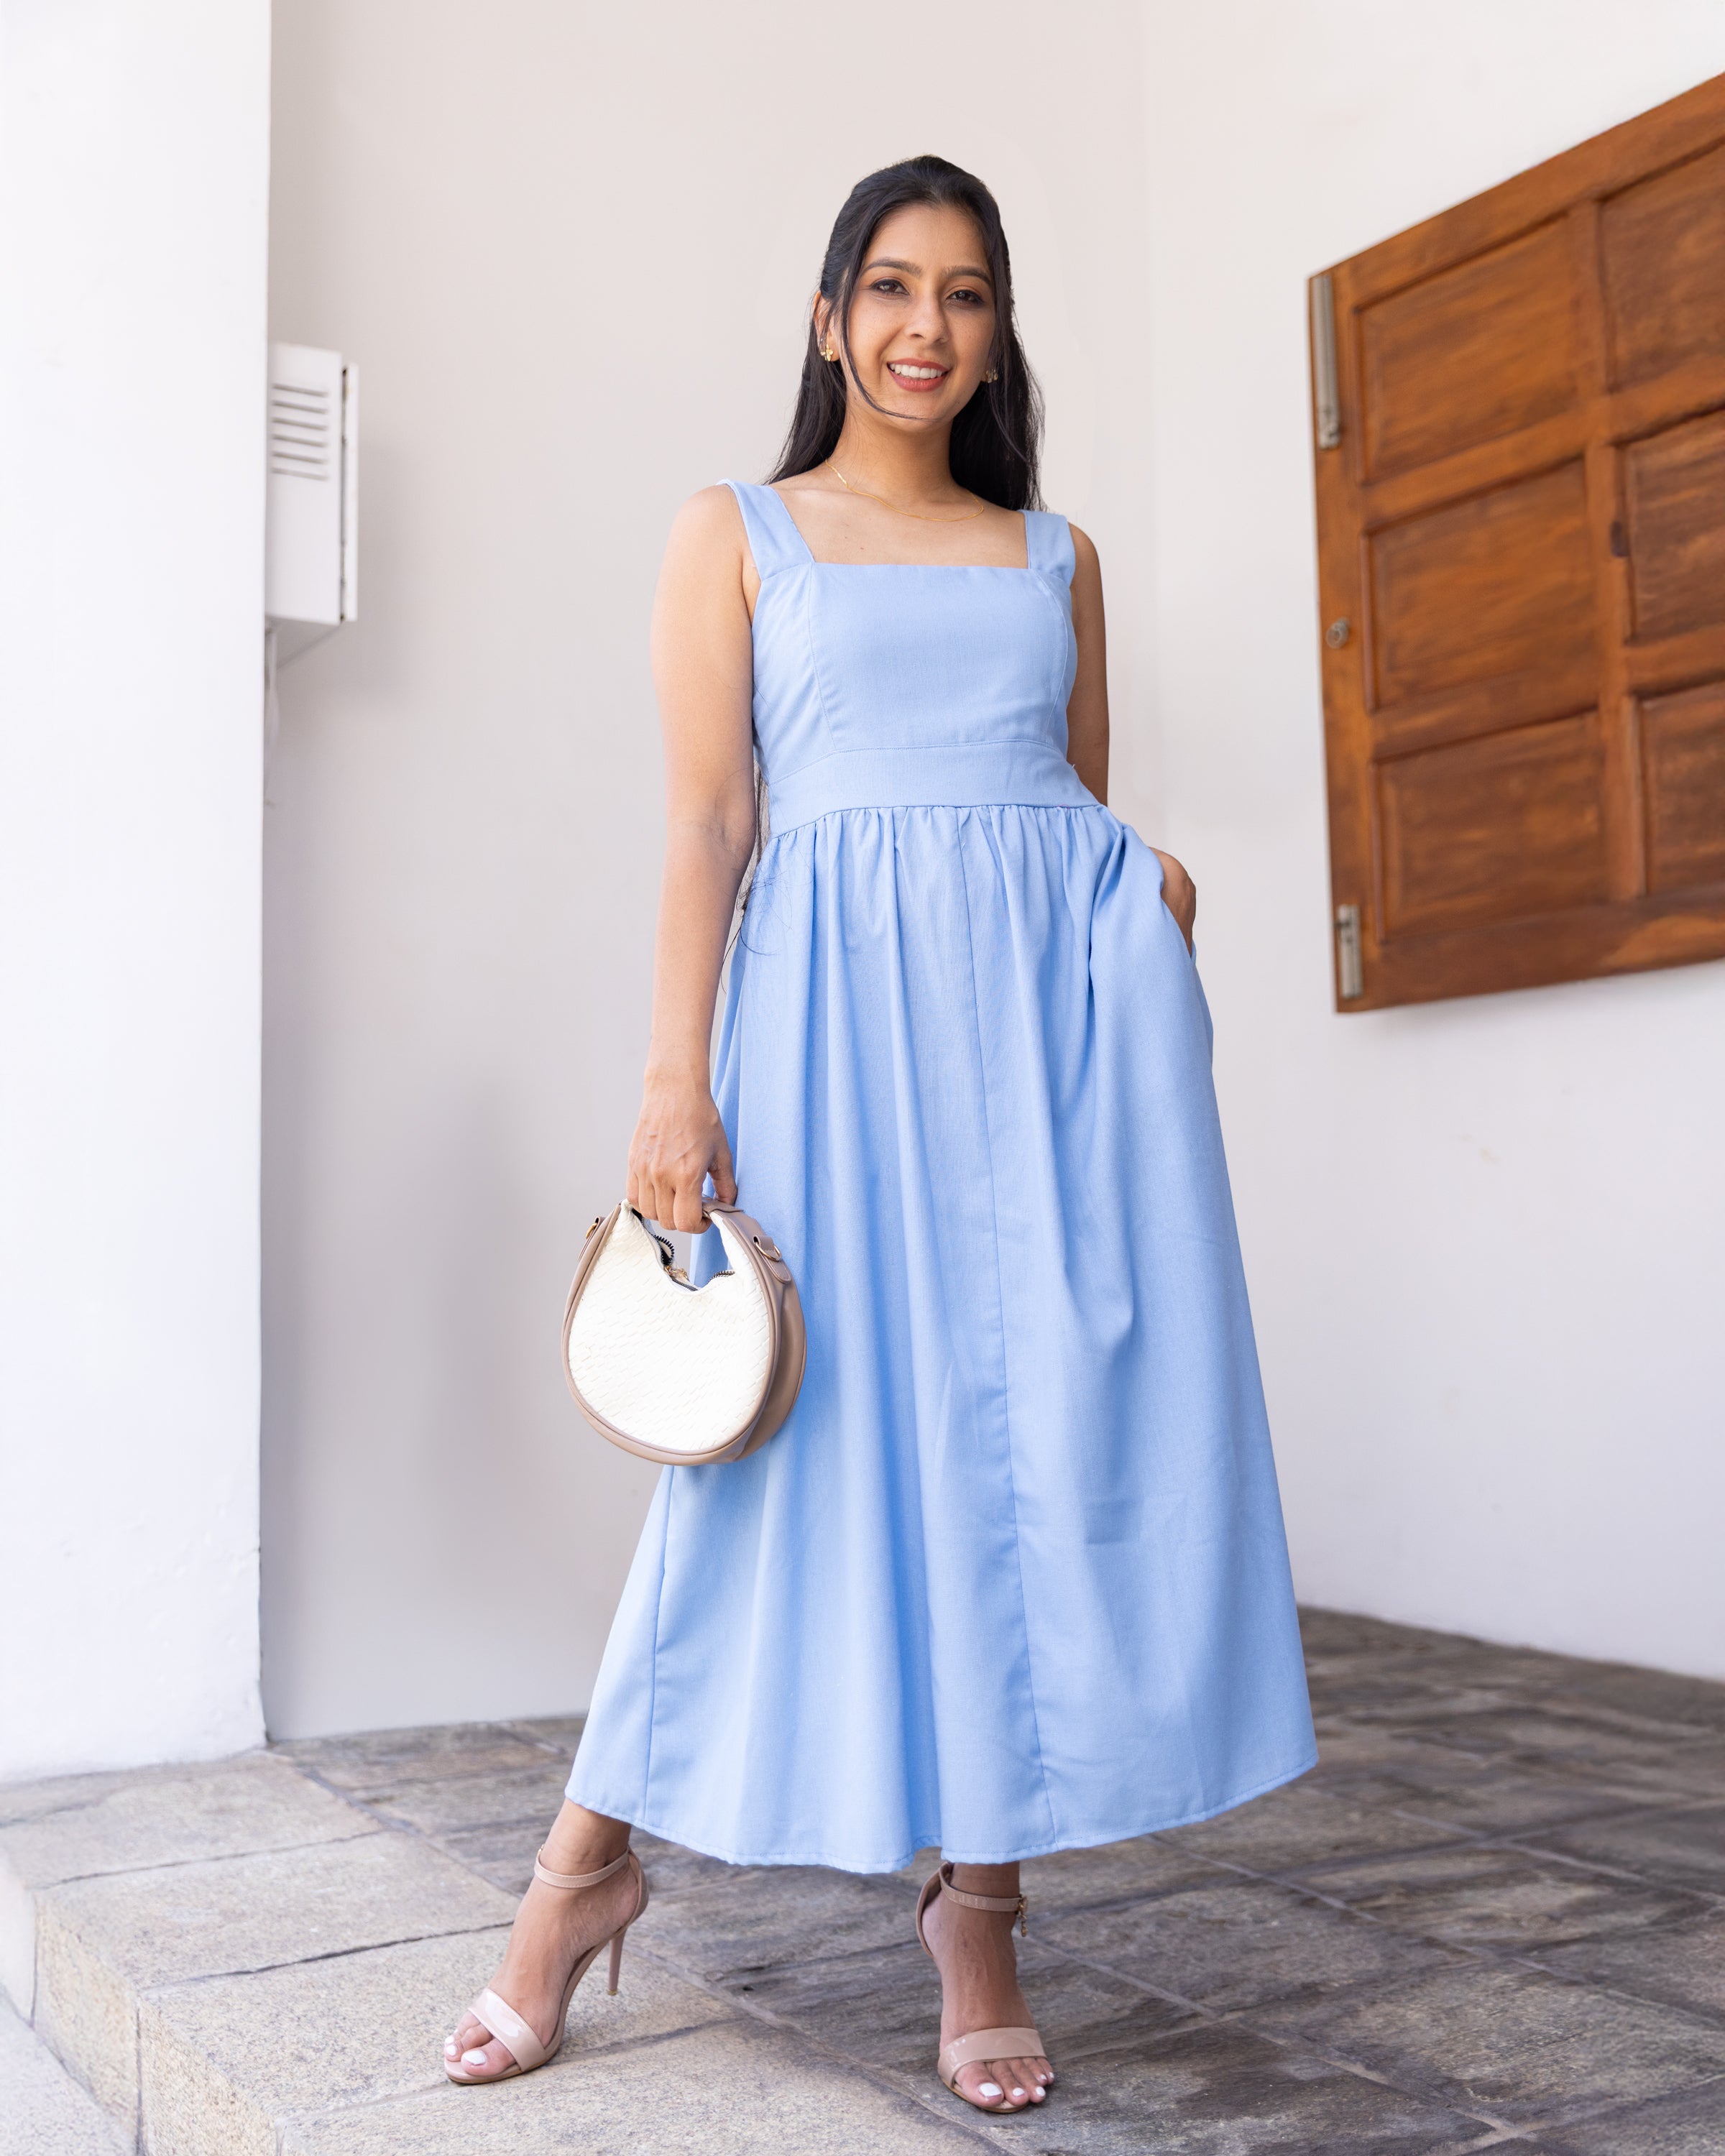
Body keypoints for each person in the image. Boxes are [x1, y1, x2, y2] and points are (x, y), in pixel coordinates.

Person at [443, 152, 1315, 2116]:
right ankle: (579, 1878)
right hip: (828, 1040)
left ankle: (978, 1909)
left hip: (1041, 1052)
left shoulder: (1054, 554)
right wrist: (676, 1074)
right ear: (833, 314)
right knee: (783, 1459)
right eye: (896, 286)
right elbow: (707, 821)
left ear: (999, 333)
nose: (932, 327)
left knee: (1029, 1439)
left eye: (972, 295)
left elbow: (1070, 804)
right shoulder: (736, 532)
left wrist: (1142, 875)